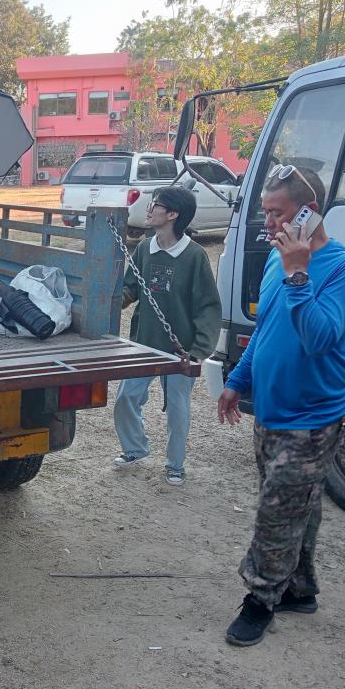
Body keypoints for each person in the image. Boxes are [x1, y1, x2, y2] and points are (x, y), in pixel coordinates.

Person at [218, 165, 345, 646]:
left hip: (314, 418)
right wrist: (238, 380)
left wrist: (298, 273)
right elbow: (267, 329)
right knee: (298, 502)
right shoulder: (274, 260)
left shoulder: (343, 267)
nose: (268, 223)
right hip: (272, 409)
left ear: (308, 212)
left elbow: (320, 338)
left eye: (277, 213)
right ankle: (299, 589)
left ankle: (260, 600)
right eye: (265, 212)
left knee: (277, 510)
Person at [112, 186, 221, 486]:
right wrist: (112, 300)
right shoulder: (145, 249)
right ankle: (135, 448)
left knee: (178, 409)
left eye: (155, 205)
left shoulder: (194, 256)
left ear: (173, 214)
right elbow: (131, 287)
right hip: (144, 343)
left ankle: (175, 465)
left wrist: (198, 350)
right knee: (125, 399)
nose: (149, 209)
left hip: (180, 350)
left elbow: (208, 307)